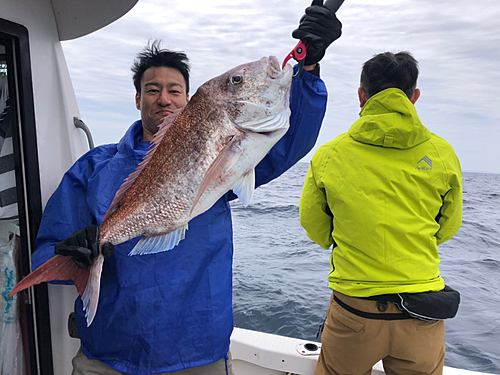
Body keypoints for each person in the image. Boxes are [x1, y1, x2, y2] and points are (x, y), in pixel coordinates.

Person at [30, 2, 342, 374]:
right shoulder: (93, 167)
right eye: (152, 89)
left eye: (174, 90)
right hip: (108, 353)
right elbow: (48, 249)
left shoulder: (226, 155)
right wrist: (73, 253)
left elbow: (292, 141)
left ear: (188, 99)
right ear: (137, 98)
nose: (164, 98)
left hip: (196, 352)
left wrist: (308, 67)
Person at [299, 51, 462, 375]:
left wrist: (352, 237)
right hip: (421, 313)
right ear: (414, 97)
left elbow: (314, 224)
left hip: (354, 313)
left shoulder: (330, 154)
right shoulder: (442, 154)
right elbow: (448, 225)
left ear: (362, 95)